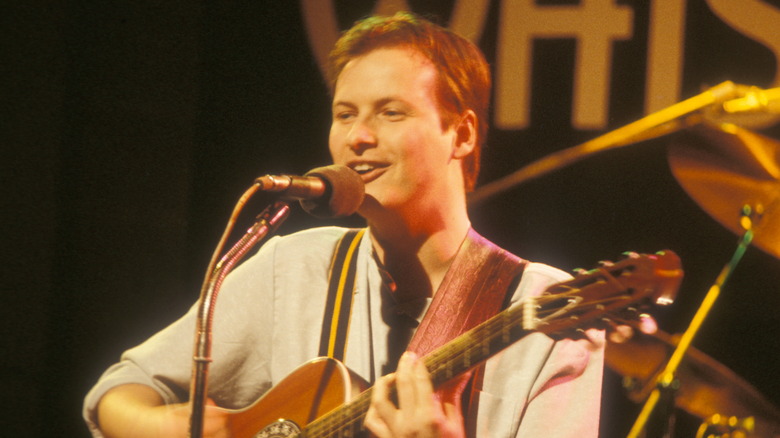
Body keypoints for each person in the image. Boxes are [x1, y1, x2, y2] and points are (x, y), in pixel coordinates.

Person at [84, 12, 604, 438]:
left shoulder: (550, 311)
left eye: (390, 113)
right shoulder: (292, 271)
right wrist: (177, 429)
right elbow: (118, 392)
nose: (357, 136)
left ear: (461, 134)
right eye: (345, 114)